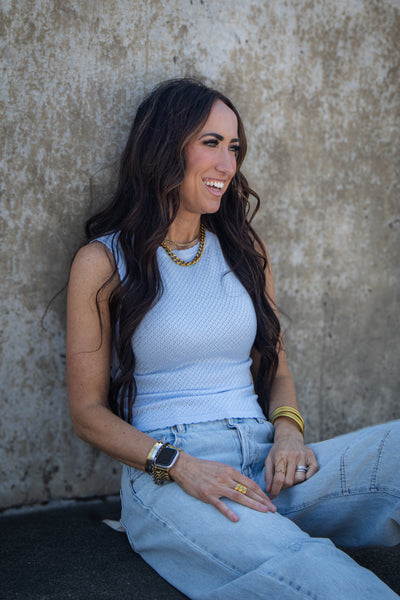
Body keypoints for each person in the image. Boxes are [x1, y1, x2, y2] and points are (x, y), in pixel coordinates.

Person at [66, 78, 400, 599]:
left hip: (267, 460)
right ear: (164, 147)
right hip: (175, 476)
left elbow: (277, 369)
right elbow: (87, 412)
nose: (228, 165)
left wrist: (288, 434)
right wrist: (181, 465)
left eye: (235, 147)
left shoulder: (245, 249)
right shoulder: (104, 261)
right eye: (212, 143)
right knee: (319, 575)